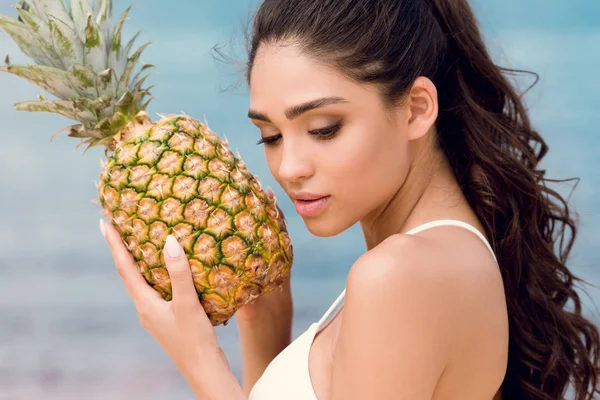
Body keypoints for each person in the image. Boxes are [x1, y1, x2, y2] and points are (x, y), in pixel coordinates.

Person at [100, 0, 600, 399]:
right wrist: (267, 325)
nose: (289, 167)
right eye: (270, 137)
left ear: (416, 109)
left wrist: (199, 362)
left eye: (323, 128)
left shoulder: (399, 276)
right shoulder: (434, 260)